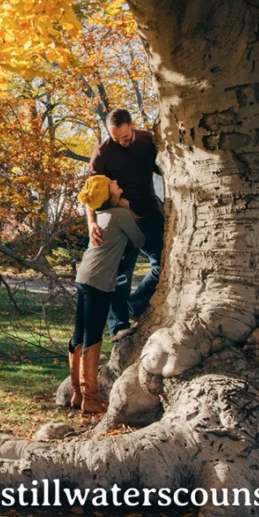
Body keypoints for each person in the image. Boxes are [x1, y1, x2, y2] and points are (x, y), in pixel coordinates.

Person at [70, 175, 145, 414]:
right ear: (108, 192)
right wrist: (131, 213)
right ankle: (90, 399)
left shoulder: (101, 216)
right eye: (112, 183)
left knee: (78, 335)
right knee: (92, 336)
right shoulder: (120, 215)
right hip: (99, 281)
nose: (116, 181)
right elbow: (139, 240)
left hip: (84, 276)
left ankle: (77, 394)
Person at [87, 108, 164, 339]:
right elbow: (90, 194)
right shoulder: (102, 154)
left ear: (132, 125)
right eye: (115, 138)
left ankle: (135, 305)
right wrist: (92, 224)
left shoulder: (148, 141)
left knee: (163, 265)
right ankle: (119, 326)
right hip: (119, 218)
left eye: (126, 137)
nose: (122, 142)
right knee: (119, 275)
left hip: (149, 212)